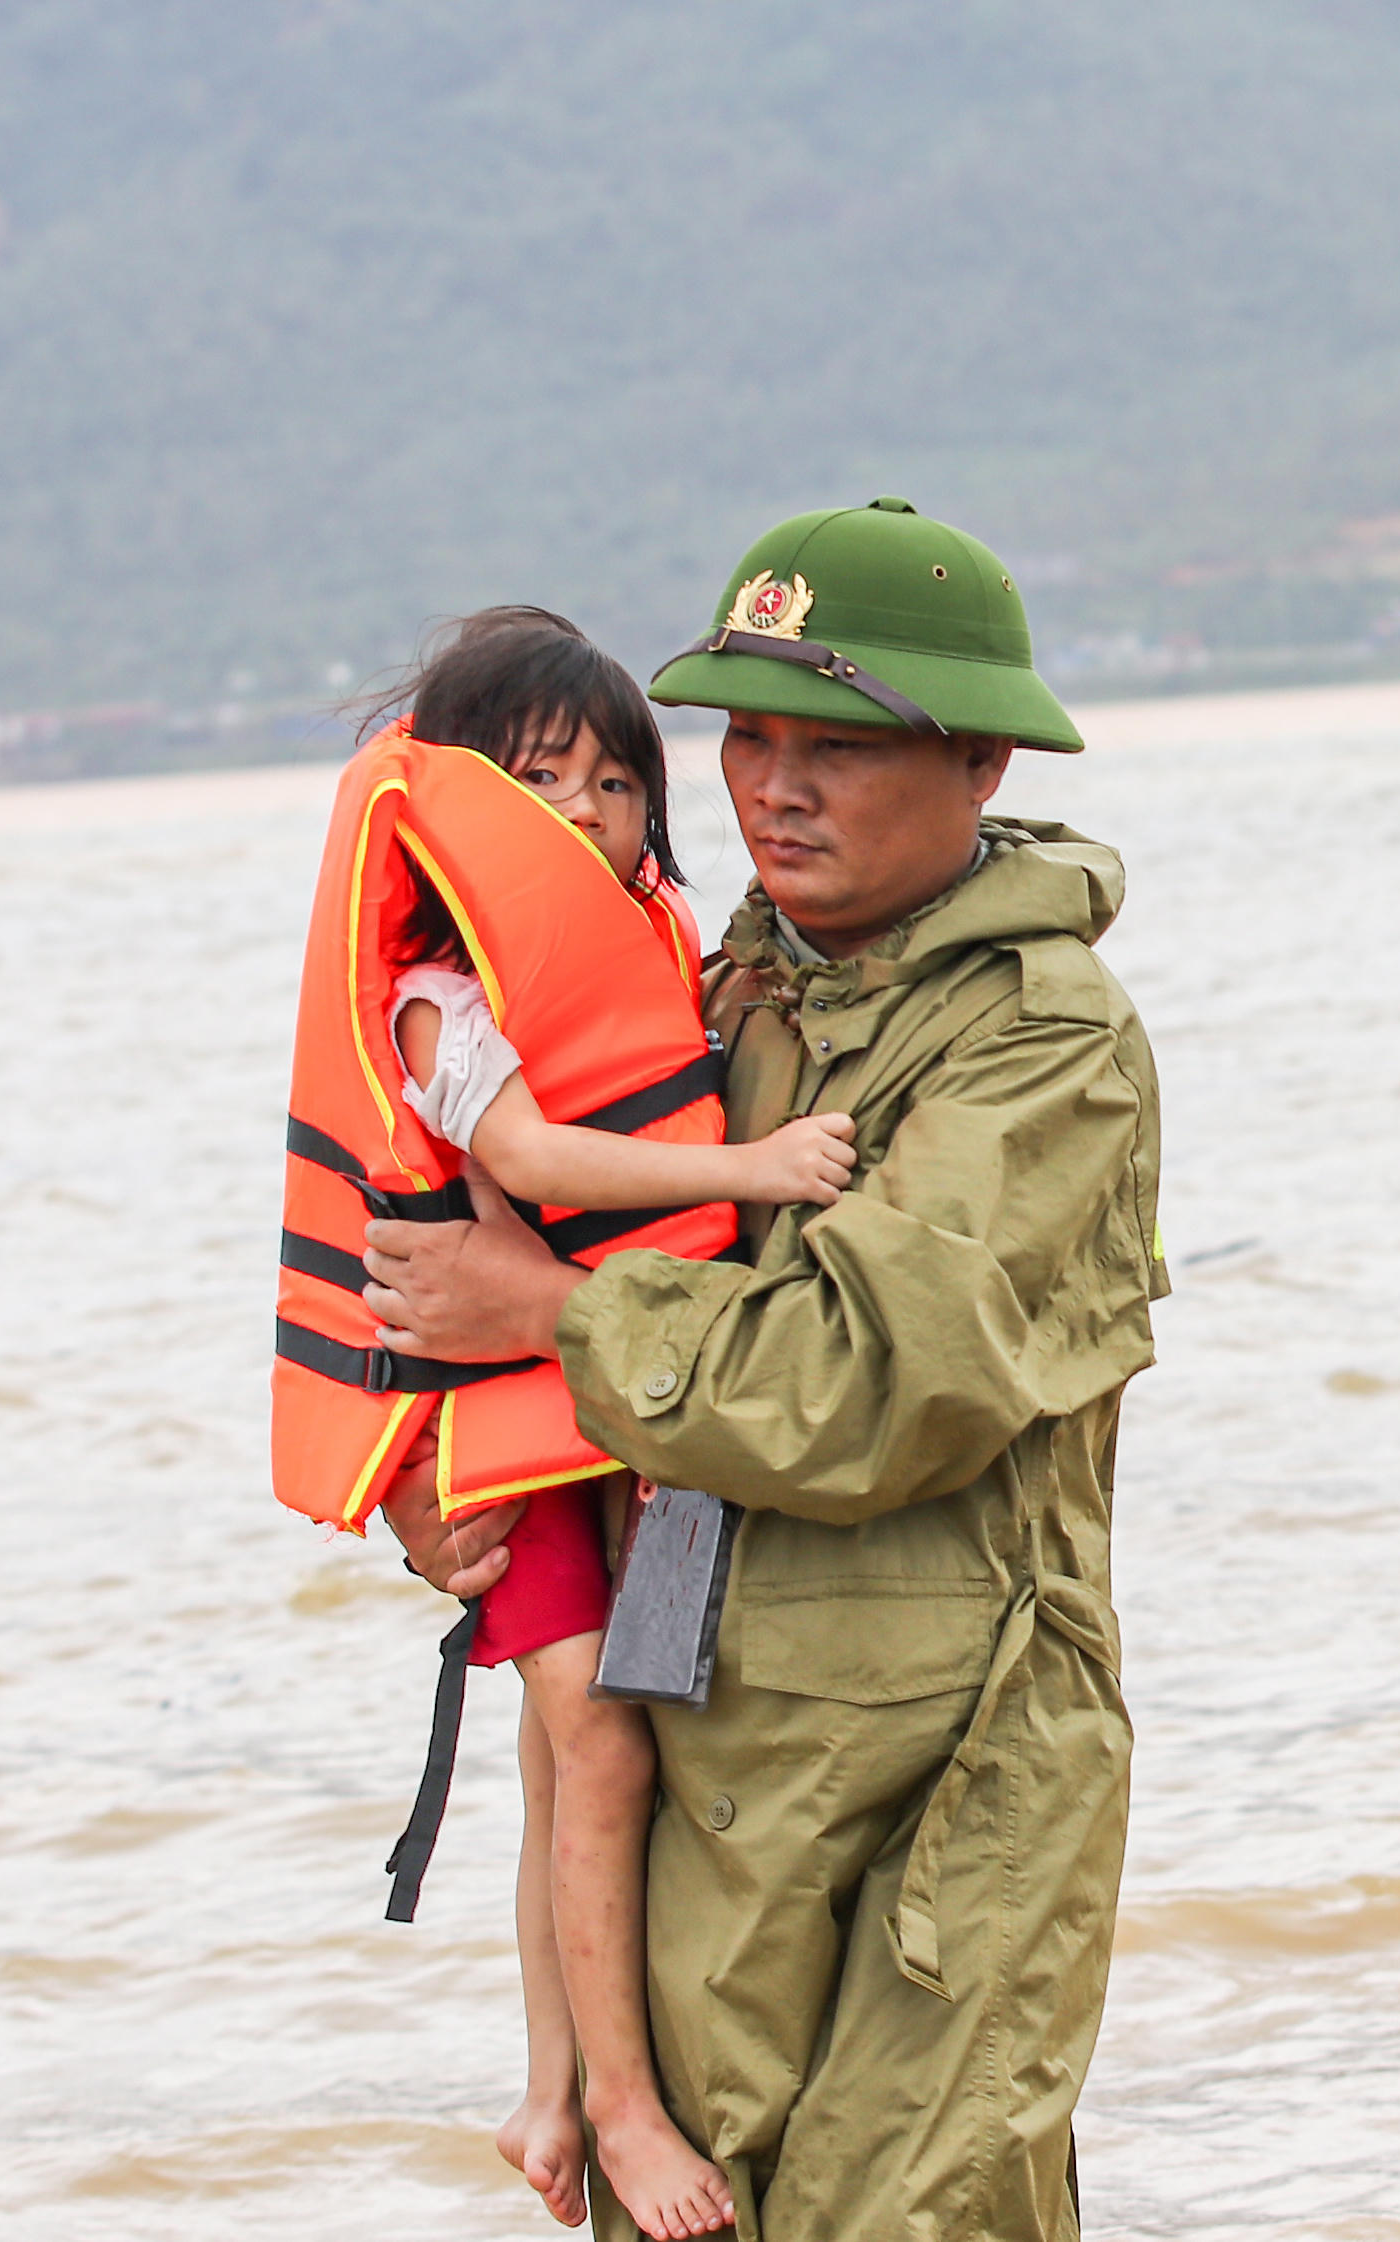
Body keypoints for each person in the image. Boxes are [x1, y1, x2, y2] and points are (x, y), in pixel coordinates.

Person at [363, 500, 1164, 2242]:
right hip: (705, 1769)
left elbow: (861, 1381)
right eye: (747, 740)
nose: (771, 790)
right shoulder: (718, 990)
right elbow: (470, 1238)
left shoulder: (1043, 1039)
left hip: (948, 1790)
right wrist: (445, 1497)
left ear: (973, 760)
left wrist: (549, 1325)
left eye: (836, 749)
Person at [279, 608, 865, 2236]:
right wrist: (756, 1168)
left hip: (602, 1422)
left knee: (568, 1766)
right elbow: (533, 1166)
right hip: (509, 1450)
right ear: (464, 803)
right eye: (543, 780)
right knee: (597, 1748)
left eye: (617, 781)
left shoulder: (652, 948)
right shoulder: (441, 1000)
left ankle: (545, 2080)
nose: (591, 814)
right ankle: (617, 2097)